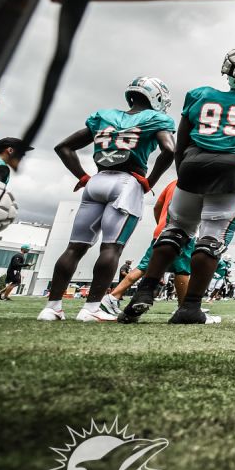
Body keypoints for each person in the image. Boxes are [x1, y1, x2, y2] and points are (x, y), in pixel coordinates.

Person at [124, 46, 235, 324]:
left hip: (193, 165)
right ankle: (190, 306)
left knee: (174, 231)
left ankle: (144, 291)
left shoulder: (200, 95)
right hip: (234, 170)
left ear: (227, 72)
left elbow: (182, 143)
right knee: (211, 239)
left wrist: (184, 171)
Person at [38, 77, 176, 322]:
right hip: (126, 183)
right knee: (111, 247)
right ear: (156, 97)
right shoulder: (156, 119)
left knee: (75, 247)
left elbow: (63, 147)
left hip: (97, 181)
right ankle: (91, 309)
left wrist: (82, 176)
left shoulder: (103, 115)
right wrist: (150, 181)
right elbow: (170, 150)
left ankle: (52, 307)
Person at [107, 180, 192, 306]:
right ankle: (184, 307)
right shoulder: (196, 182)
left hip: (163, 230)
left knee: (144, 266)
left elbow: (157, 206)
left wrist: (161, 225)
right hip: (183, 231)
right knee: (183, 269)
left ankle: (113, 297)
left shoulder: (172, 183)